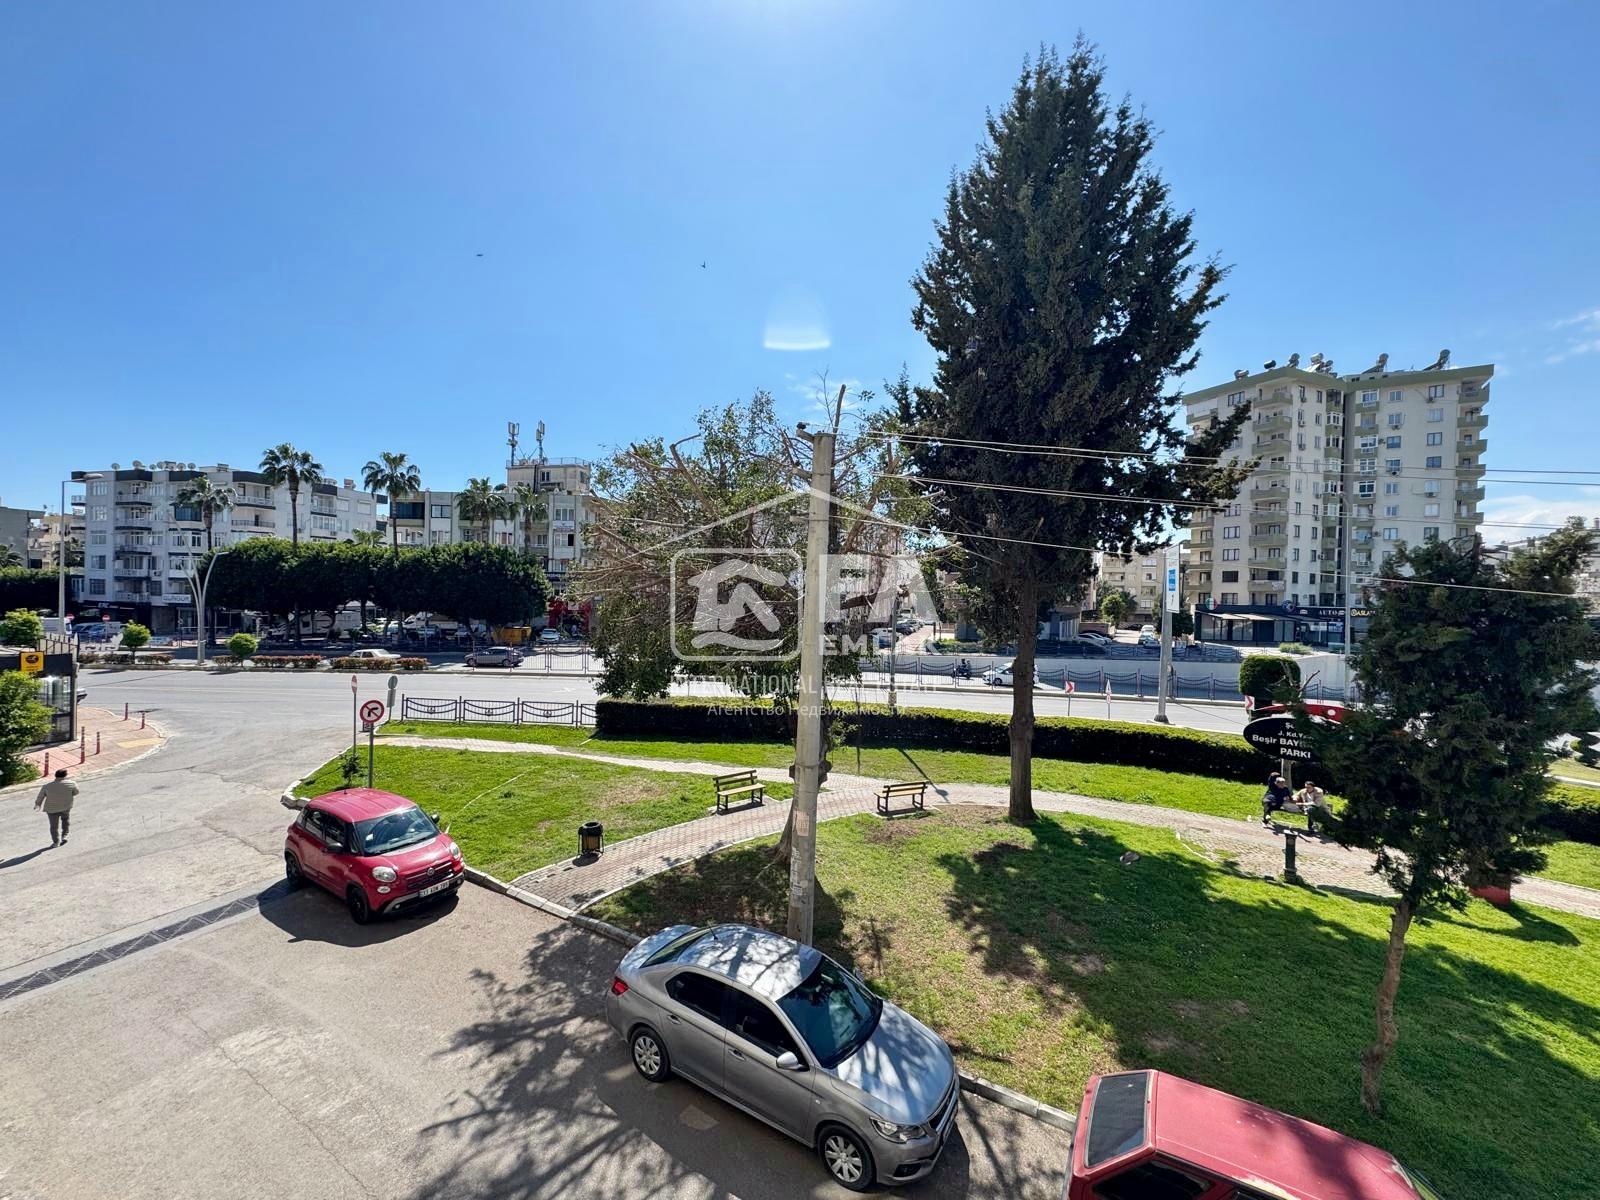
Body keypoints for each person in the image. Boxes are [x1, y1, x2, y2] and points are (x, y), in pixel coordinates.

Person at [35, 767, 79, 847]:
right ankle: (64, 836)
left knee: (53, 826)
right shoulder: (72, 783)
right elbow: (76, 792)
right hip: (65, 807)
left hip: (51, 809)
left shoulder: (47, 786)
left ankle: (56, 842)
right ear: (65, 775)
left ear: (55, 775)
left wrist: (38, 804)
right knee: (65, 820)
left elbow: (40, 797)